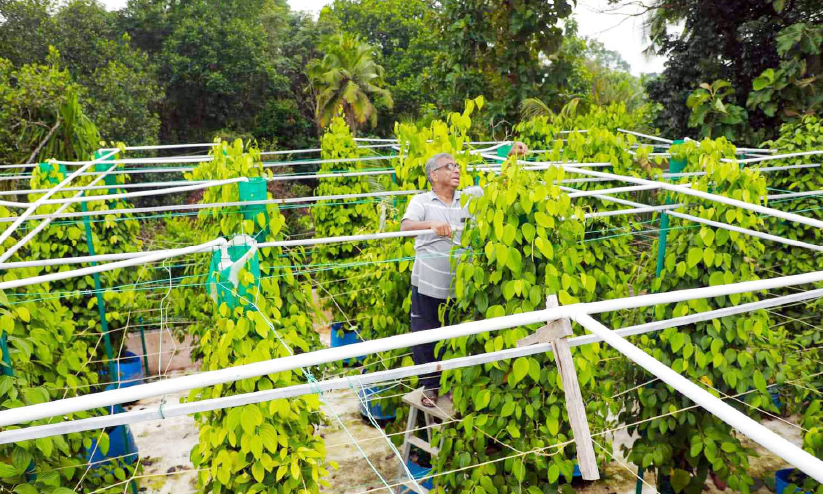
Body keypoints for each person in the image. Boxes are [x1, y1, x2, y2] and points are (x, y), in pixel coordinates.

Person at [400, 143, 528, 407]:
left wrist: (511, 156)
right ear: (434, 175)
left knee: (454, 335)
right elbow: (406, 227)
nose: (456, 170)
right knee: (425, 335)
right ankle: (430, 387)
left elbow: (498, 185)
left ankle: (450, 384)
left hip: (460, 285)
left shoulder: (469, 197)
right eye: (450, 166)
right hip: (428, 282)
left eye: (457, 166)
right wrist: (432, 224)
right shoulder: (421, 201)